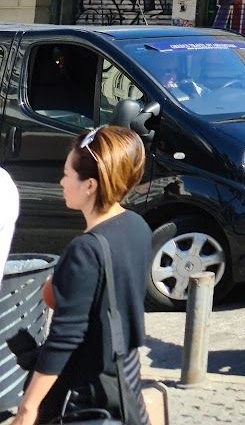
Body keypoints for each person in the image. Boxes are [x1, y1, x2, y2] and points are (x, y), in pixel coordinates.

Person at [13, 125, 152, 425]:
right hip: (123, 388)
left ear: (89, 185)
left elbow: (65, 338)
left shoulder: (85, 249)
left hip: (83, 399)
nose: (61, 181)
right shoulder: (137, 227)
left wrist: (28, 408)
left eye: (66, 173)